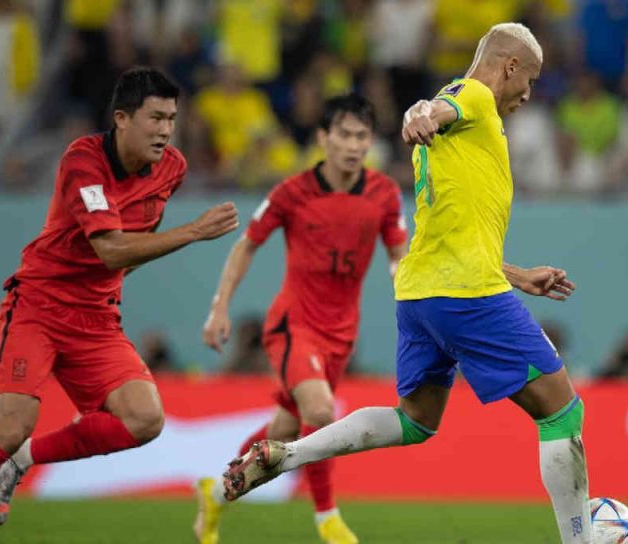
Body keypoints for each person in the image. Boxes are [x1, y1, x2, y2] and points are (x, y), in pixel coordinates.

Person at [221, 23, 590, 544]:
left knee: (416, 420)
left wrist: (517, 274)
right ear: (510, 66)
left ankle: (289, 454)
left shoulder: (460, 126)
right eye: (529, 80)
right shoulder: (475, 96)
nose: (528, 95)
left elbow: (448, 230)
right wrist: (418, 113)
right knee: (562, 410)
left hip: (420, 292)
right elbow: (432, 109)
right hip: (466, 294)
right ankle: (583, 539)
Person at [0, 67, 241, 544]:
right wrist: (194, 231)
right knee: (9, 428)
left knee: (145, 419)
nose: (166, 130)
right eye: (156, 118)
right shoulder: (82, 161)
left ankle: (24, 462)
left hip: (96, 317)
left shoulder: (173, 169)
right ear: (122, 119)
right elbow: (110, 248)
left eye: (172, 119)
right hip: (39, 306)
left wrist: (108, 291)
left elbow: (133, 247)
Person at [194, 94, 408, 544]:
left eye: (362, 136)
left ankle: (216, 492)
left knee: (285, 430)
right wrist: (219, 306)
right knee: (320, 412)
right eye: (344, 135)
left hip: (341, 336)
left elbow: (399, 258)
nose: (353, 145)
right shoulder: (292, 193)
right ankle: (327, 519)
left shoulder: (384, 195)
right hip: (294, 326)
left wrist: (415, 301)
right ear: (323, 138)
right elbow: (247, 244)